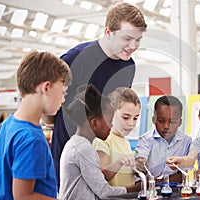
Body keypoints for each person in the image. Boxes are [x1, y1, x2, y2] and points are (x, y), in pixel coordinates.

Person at [41, 2, 147, 189]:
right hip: (68, 154)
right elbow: (46, 100)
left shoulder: (128, 66)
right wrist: (53, 121)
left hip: (102, 157)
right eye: (127, 38)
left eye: (138, 39)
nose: (133, 46)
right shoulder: (76, 58)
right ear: (108, 32)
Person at [0, 51, 71, 200]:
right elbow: (23, 196)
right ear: (46, 87)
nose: (63, 100)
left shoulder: (6, 125)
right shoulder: (32, 139)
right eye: (63, 92)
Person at [58, 84, 140, 200]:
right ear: (95, 123)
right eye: (110, 121)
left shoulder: (78, 144)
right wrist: (136, 188)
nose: (111, 126)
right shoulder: (83, 148)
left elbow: (97, 179)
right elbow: (104, 192)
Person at [135, 95, 192, 183]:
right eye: (161, 121)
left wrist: (158, 181)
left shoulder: (186, 141)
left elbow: (184, 175)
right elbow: (140, 163)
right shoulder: (145, 140)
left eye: (172, 122)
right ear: (154, 119)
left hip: (175, 191)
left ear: (180, 122)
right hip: (149, 190)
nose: (166, 126)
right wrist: (140, 164)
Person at [93, 87, 141, 186]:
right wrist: (119, 163)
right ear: (111, 113)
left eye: (135, 118)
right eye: (126, 117)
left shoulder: (126, 143)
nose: (131, 123)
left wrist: (138, 167)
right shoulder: (103, 140)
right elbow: (100, 178)